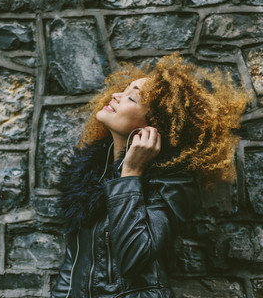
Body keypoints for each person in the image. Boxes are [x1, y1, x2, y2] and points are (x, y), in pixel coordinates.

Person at [51, 53, 249, 298]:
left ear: (157, 124)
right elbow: (73, 264)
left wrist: (130, 175)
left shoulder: (171, 182)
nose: (115, 95)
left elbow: (134, 257)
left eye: (131, 97)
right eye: (123, 90)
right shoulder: (89, 173)